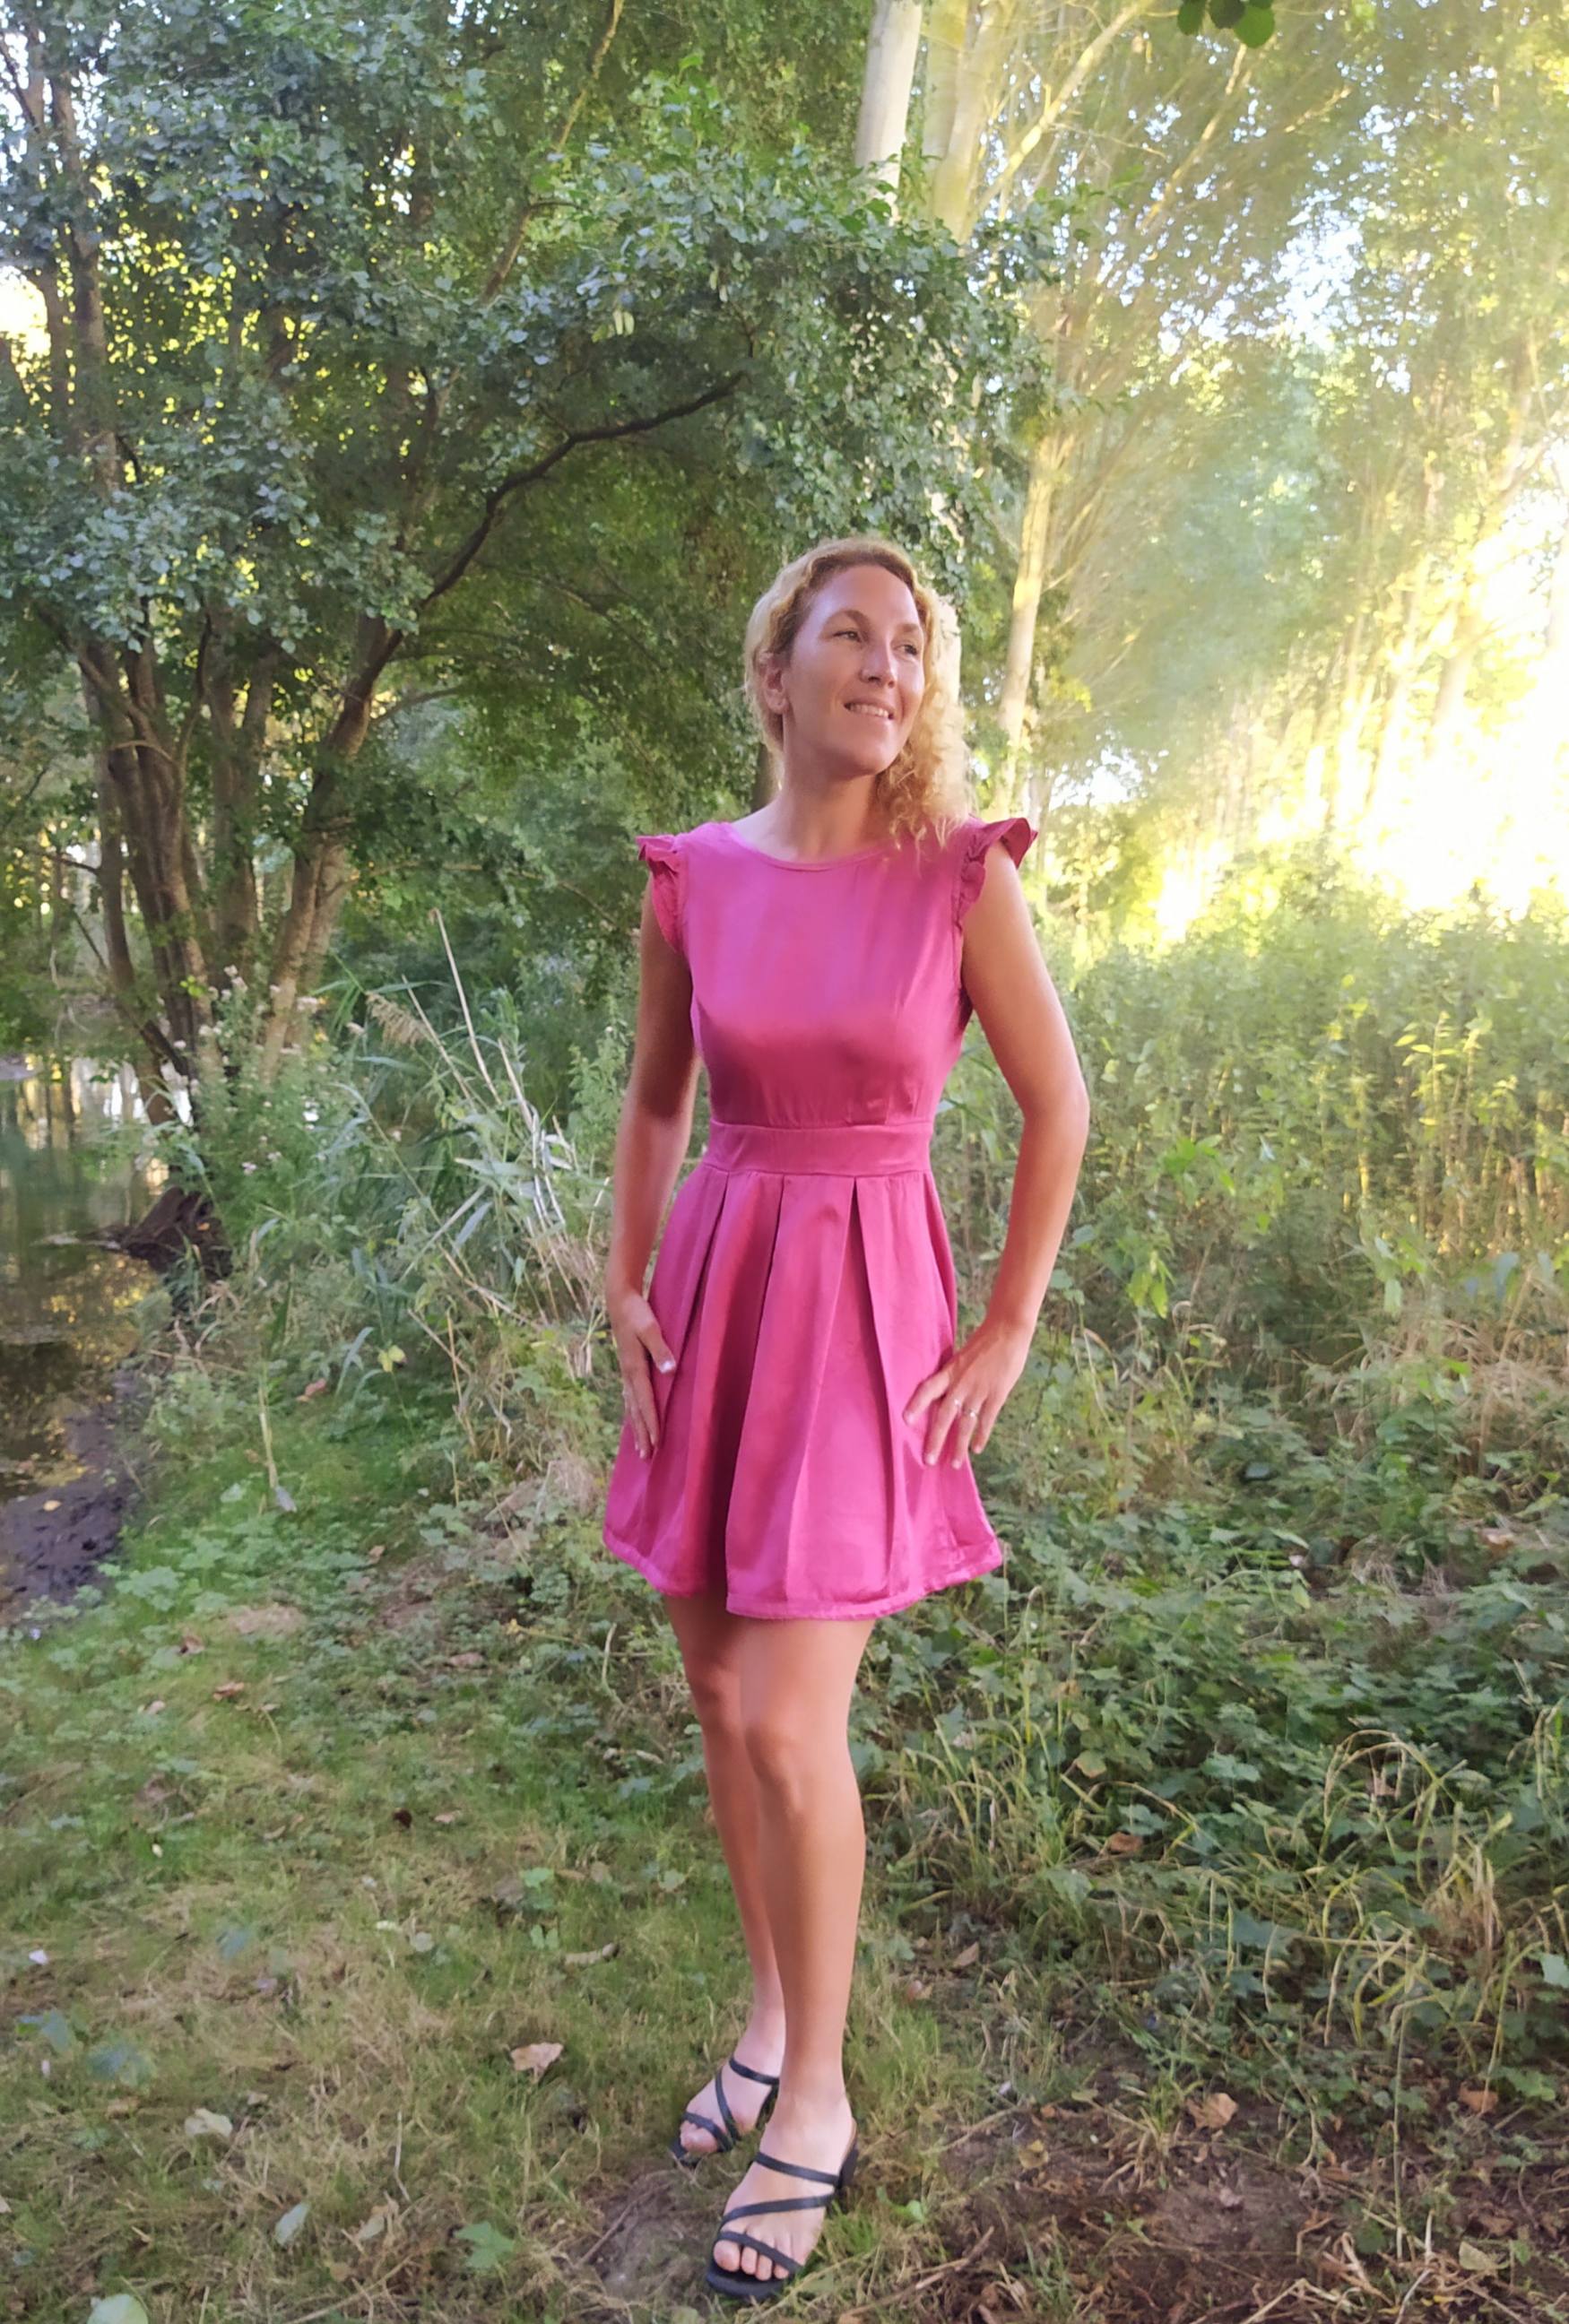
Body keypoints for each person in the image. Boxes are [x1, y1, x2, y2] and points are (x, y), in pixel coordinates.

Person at [600, 534, 1091, 2300]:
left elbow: (1056, 1103)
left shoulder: (957, 877)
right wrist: (623, 1277)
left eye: (911, 644)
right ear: (774, 671)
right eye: (851, 635)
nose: (888, 665)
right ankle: (763, 2013)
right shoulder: (695, 879)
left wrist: (1007, 1322)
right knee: (717, 1696)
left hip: (863, 1317)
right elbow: (656, 1103)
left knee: (795, 1720)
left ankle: (814, 2095)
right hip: (718, 1293)